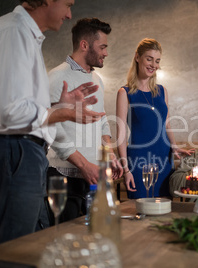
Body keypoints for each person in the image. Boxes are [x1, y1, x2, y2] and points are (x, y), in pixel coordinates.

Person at [0, 0, 105, 244]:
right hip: (15, 151)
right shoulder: (12, 32)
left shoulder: (23, 34)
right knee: (16, 249)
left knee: (36, 243)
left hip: (24, 152)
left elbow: (17, 106)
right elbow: (9, 112)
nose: (69, 15)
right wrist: (63, 113)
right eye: (67, 4)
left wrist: (59, 106)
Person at [46, 18, 123, 224]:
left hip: (92, 175)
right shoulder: (56, 77)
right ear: (84, 45)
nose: (106, 52)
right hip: (64, 176)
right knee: (65, 238)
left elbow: (102, 119)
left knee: (91, 236)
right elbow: (52, 128)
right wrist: (83, 164)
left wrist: (109, 153)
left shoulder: (96, 79)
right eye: (103, 47)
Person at [116, 38, 193, 199]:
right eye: (149, 59)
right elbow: (121, 136)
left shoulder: (162, 91)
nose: (153, 65)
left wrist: (175, 146)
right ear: (137, 57)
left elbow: (166, 124)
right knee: (140, 210)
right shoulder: (125, 93)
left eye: (157, 61)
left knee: (164, 211)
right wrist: (126, 170)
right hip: (138, 161)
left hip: (164, 159)